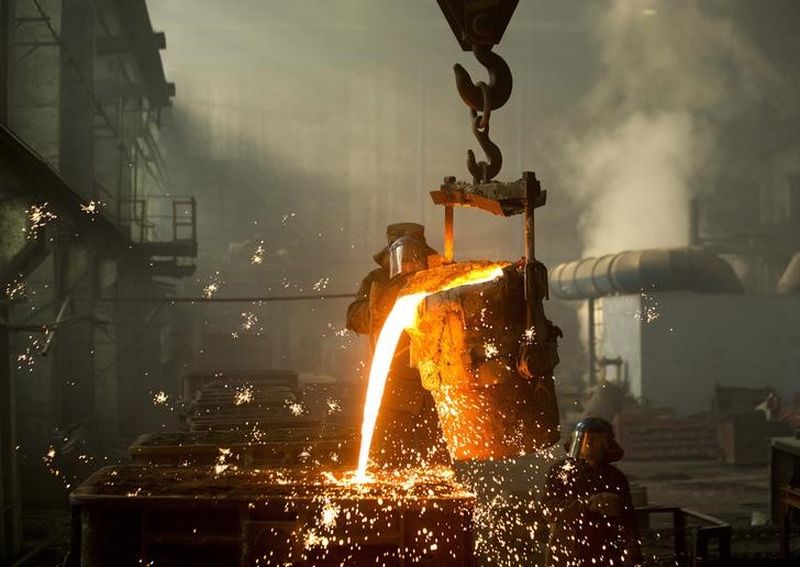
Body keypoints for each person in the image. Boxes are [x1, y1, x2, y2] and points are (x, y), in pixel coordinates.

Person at [346, 223, 450, 468]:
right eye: (403, 259)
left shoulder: (438, 277)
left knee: (438, 468)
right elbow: (353, 317)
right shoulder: (378, 280)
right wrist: (378, 309)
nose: (409, 265)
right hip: (394, 389)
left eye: (415, 258)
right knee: (389, 465)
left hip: (434, 388)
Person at [543, 417, 643, 567]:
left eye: (594, 439)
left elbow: (628, 521)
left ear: (606, 444)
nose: (588, 443)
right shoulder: (560, 472)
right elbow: (549, 509)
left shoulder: (615, 477)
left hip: (605, 554)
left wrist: (633, 553)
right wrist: (588, 503)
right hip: (567, 552)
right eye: (583, 438)